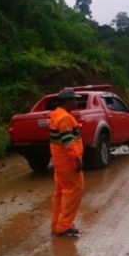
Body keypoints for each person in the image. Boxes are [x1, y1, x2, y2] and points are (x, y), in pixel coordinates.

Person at [49, 87, 85, 237]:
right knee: (75, 191)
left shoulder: (56, 115)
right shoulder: (64, 118)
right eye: (74, 99)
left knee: (60, 193)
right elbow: (68, 142)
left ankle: (57, 224)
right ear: (68, 101)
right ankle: (64, 226)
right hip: (68, 161)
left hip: (59, 162)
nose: (76, 102)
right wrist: (77, 159)